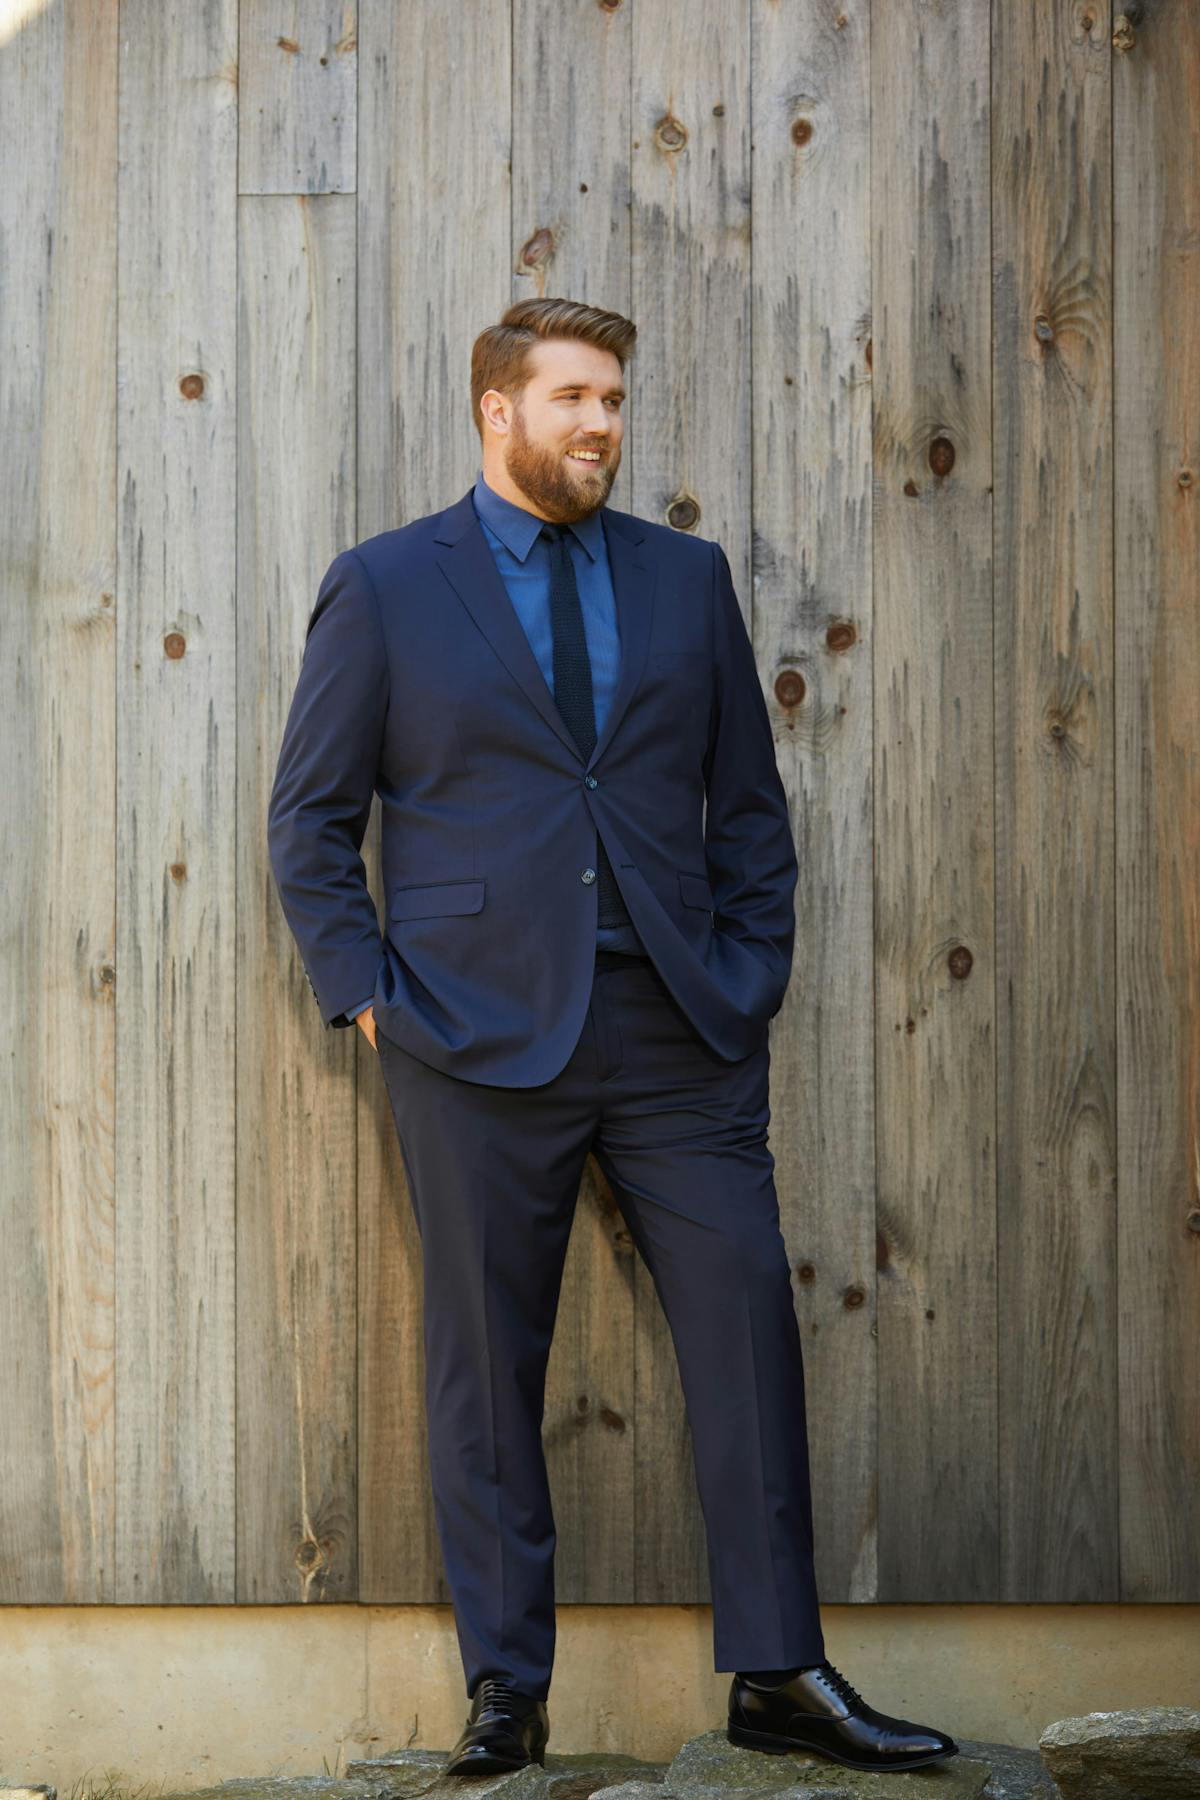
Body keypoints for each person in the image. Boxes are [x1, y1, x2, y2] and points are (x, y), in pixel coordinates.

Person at [267, 298, 957, 1777]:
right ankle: (508, 1691)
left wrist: (748, 974)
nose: (603, 424)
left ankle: (778, 1672)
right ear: (494, 411)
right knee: (485, 1368)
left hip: (675, 1031)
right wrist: (369, 993)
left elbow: (750, 816)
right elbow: (311, 821)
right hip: (469, 1037)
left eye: (616, 400)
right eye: (575, 396)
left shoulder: (684, 580)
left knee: (750, 1336)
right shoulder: (387, 587)